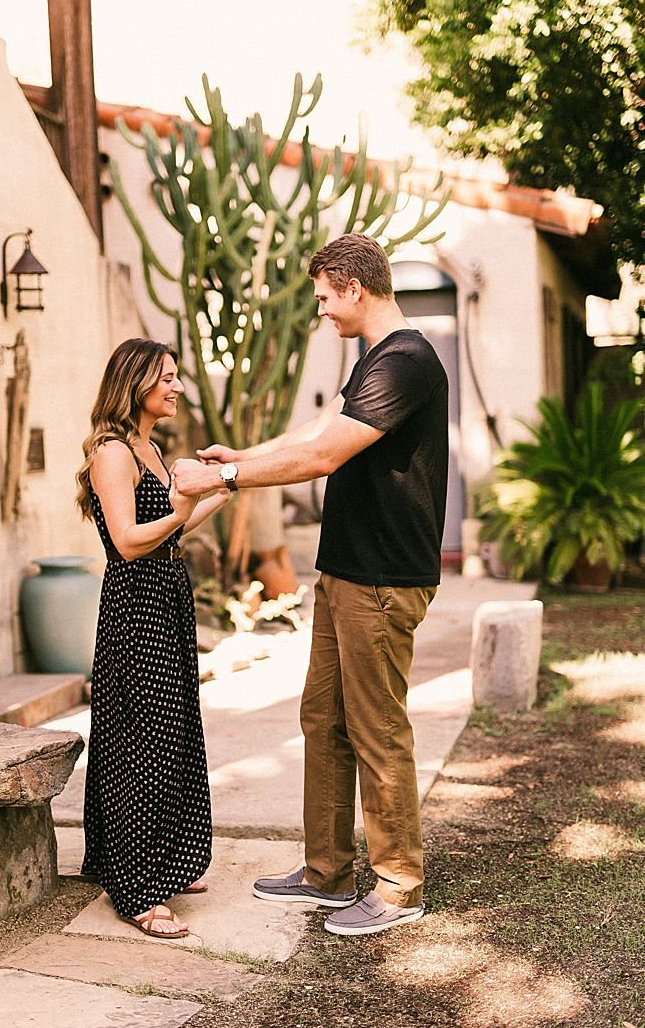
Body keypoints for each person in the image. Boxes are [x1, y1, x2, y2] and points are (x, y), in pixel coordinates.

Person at [173, 232, 449, 937]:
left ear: (355, 287)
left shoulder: (409, 361)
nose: (323, 309)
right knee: (322, 720)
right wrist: (245, 454)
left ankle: (397, 885)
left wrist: (224, 478)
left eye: (326, 296)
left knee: (377, 728)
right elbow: (322, 424)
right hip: (346, 570)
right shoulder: (375, 360)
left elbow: (327, 453)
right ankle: (326, 870)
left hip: (384, 578)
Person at [75, 338, 229, 939]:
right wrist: (186, 501)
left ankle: (167, 859)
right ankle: (137, 884)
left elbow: (175, 527)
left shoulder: (152, 448)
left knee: (172, 731)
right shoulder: (113, 452)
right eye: (166, 377)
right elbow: (131, 540)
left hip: (167, 597)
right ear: (135, 381)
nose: (176, 387)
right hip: (136, 604)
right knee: (141, 738)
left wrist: (219, 490)